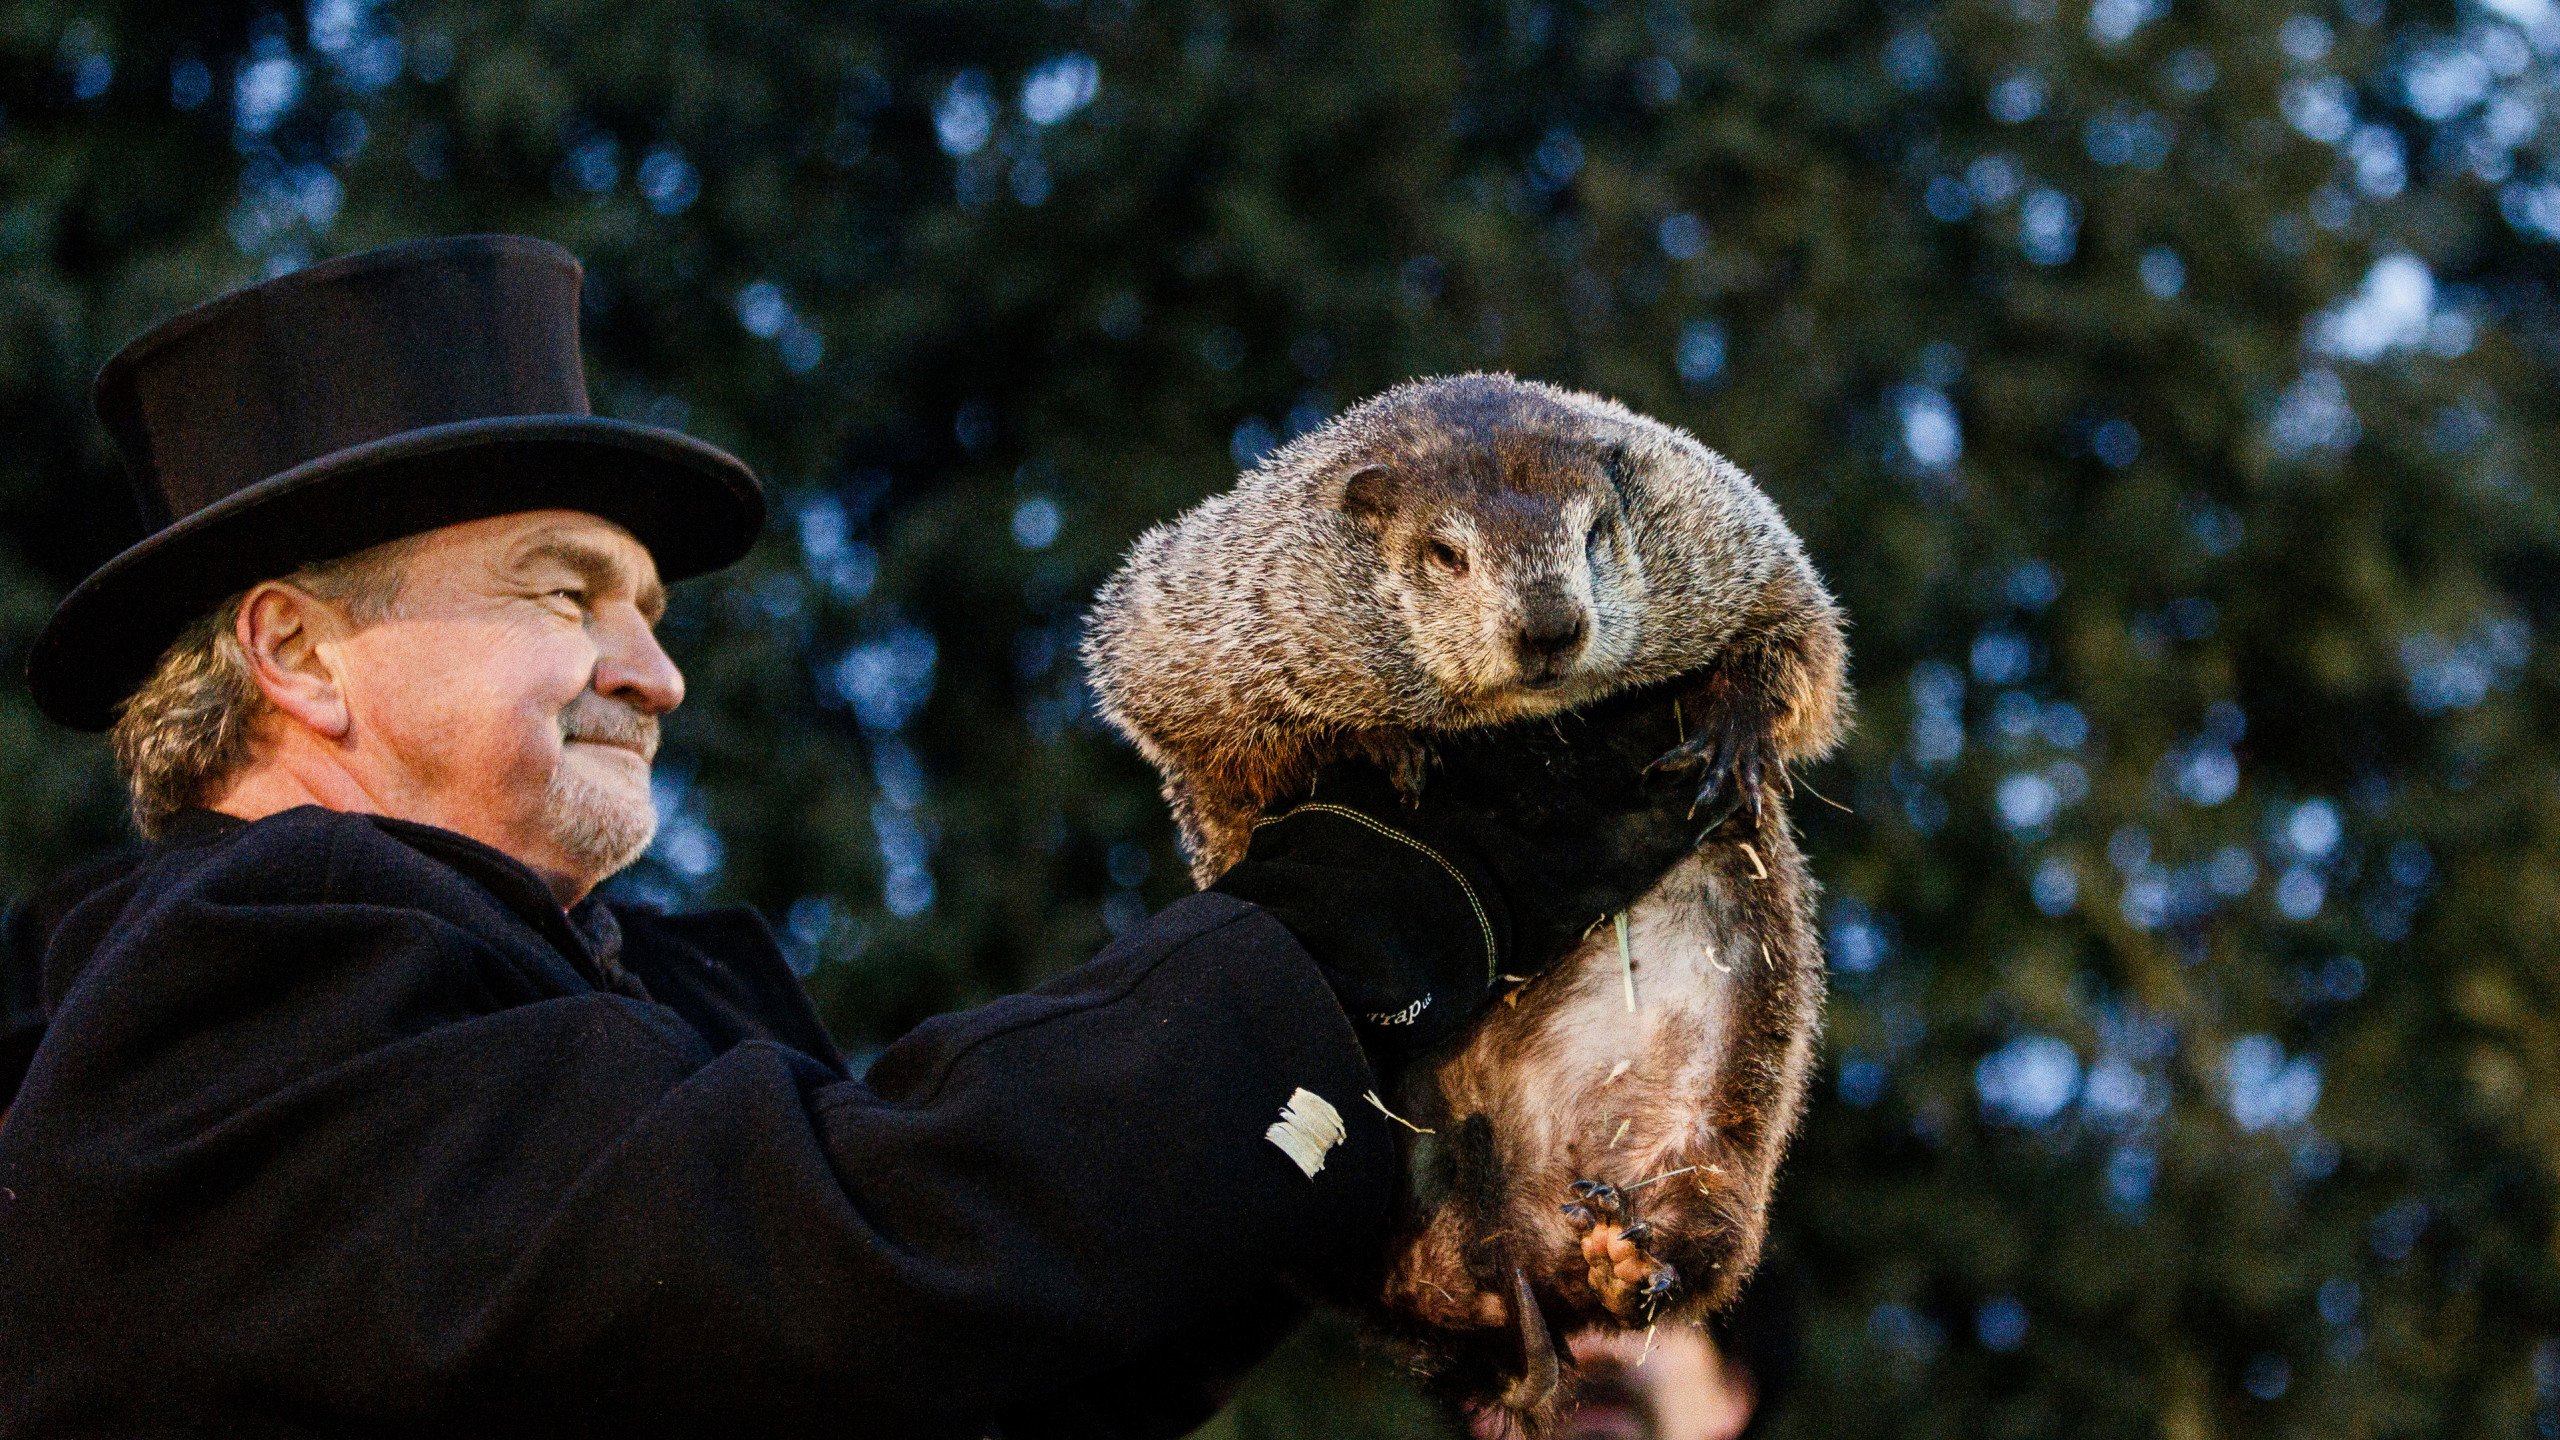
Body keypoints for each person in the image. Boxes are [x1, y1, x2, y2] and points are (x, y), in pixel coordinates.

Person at [0, 236, 1725, 1437]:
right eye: (565, 592)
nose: (655, 671)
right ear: (297, 653)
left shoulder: (617, 1001)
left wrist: (1385, 1077)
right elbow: (838, 1265)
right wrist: (1351, 920)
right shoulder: (230, 994)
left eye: (654, 607)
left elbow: (986, 1368)